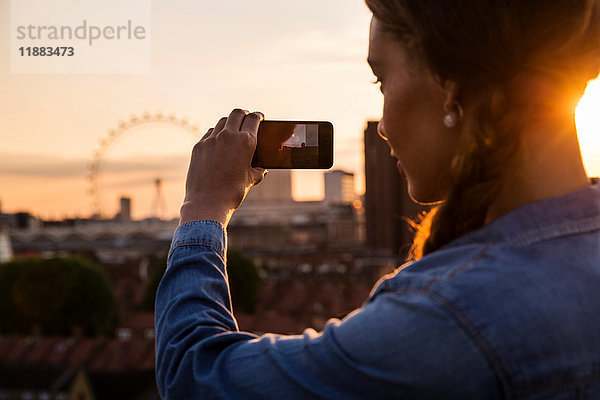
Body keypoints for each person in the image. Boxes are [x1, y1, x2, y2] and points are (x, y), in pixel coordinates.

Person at [155, 0, 600, 398]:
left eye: (381, 80)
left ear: (450, 84)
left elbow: (195, 374)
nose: (383, 125)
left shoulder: (447, 319)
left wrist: (203, 209)